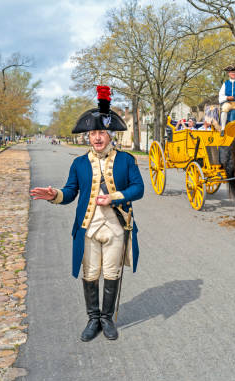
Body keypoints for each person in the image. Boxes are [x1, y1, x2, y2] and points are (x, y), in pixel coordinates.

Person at [30, 85, 144, 342]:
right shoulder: (78, 163)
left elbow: (138, 188)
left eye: (102, 132)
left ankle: (107, 318)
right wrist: (55, 195)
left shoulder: (127, 160)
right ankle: (93, 318)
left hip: (116, 227)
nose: (97, 137)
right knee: (90, 273)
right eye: (93, 133)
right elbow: (70, 192)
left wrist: (115, 196)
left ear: (110, 135)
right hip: (88, 228)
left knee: (112, 273)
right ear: (87, 137)